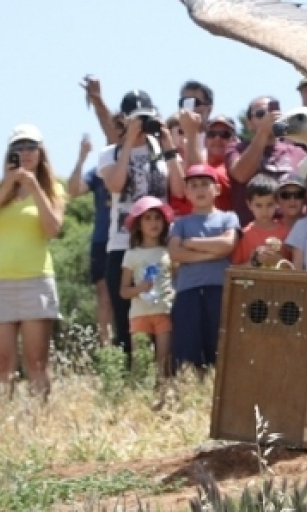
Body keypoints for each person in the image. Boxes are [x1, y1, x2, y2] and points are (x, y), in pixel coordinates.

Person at [0, 124, 66, 402]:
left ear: (40, 153)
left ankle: (39, 422)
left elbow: (53, 228)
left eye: (30, 147)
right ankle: (4, 424)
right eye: (18, 148)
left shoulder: (53, 189)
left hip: (35, 279)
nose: (25, 153)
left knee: (36, 362)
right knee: (2, 364)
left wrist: (34, 187)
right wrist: (8, 185)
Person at [98, 90, 185, 358]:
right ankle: (129, 379)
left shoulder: (163, 151)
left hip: (160, 245)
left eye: (146, 118)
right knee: (126, 319)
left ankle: (165, 378)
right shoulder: (110, 153)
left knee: (164, 314)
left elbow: (180, 190)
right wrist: (127, 144)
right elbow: (115, 185)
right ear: (122, 120)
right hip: (123, 245)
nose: (141, 124)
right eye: (136, 119)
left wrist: (167, 143)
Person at [167, 164, 240, 375]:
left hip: (219, 289)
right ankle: (189, 394)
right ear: (186, 192)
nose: (200, 190)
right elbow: (175, 253)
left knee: (218, 346)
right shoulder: (180, 223)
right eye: (194, 185)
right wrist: (212, 254)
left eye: (205, 184)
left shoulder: (228, 218)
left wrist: (190, 243)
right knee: (187, 349)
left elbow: (228, 245)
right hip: (187, 292)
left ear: (217, 189)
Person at [226, 96, 307, 226]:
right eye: (260, 114)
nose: (267, 118)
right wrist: (263, 132)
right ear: (249, 123)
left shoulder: (299, 152)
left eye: (272, 113)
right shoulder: (236, 149)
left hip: (294, 233)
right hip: (254, 234)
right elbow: (241, 175)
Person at [120, 196, 177, 384]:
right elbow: (123, 291)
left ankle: (163, 399)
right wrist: (140, 288)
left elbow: (176, 281)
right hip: (139, 315)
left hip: (164, 312)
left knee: (164, 362)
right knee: (141, 362)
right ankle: (139, 401)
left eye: (157, 218)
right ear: (138, 224)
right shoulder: (131, 255)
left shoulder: (169, 252)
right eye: (148, 218)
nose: (154, 223)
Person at [66, 133, 114, 347]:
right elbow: (73, 190)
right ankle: (107, 350)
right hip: (102, 240)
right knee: (104, 296)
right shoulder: (97, 173)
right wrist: (82, 158)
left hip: (130, 237)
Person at [231, 175, 294, 268]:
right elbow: (234, 270)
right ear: (249, 204)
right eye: (258, 205)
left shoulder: (287, 232)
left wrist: (278, 260)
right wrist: (255, 261)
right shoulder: (244, 235)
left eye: (269, 204)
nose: (264, 211)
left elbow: (295, 269)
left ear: (277, 203)